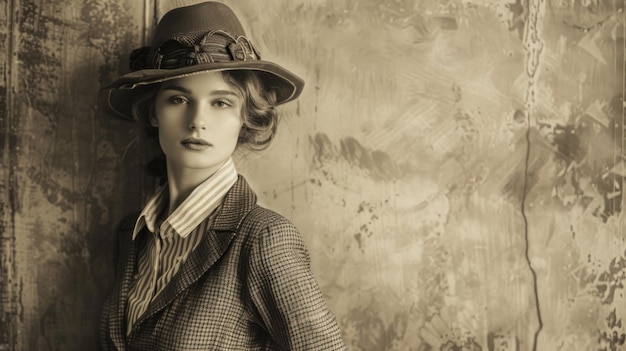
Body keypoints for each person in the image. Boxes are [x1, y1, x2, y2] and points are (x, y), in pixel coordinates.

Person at [97, 2, 347, 350]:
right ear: (154, 112)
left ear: (246, 115)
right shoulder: (132, 233)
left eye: (221, 103)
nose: (197, 120)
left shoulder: (263, 239)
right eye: (178, 99)